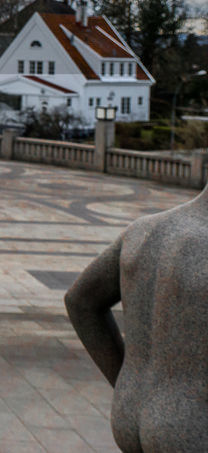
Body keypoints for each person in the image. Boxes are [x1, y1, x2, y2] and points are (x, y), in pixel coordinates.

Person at [65, 186, 208, 452]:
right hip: (195, 422)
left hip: (129, 410)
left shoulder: (144, 231)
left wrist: (126, 379)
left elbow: (80, 301)